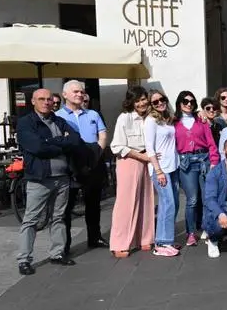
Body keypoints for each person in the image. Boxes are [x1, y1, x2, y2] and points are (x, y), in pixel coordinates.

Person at [15, 89, 82, 275]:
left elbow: (75, 141)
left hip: (62, 177)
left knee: (58, 217)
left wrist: (51, 142)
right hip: (39, 179)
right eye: (41, 99)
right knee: (31, 220)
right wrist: (61, 143)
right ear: (33, 101)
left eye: (49, 99)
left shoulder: (60, 121)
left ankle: (57, 253)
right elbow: (37, 147)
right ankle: (24, 259)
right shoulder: (25, 123)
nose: (46, 102)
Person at [56, 80, 109, 255]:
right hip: (71, 166)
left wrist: (97, 153)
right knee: (67, 206)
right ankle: (65, 244)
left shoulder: (93, 114)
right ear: (65, 94)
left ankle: (95, 237)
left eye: (81, 92)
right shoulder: (58, 117)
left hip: (93, 162)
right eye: (75, 92)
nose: (79, 94)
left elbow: (102, 134)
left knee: (93, 203)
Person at [109, 87, 155, 258]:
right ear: (131, 102)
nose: (142, 103)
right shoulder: (125, 118)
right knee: (126, 203)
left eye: (143, 99)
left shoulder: (151, 118)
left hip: (146, 159)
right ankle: (120, 243)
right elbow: (117, 146)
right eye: (138, 100)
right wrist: (143, 157)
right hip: (129, 159)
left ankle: (144, 238)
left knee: (146, 200)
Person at [174, 91, 219, 246]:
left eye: (192, 102)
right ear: (179, 103)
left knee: (208, 198)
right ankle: (191, 232)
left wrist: (214, 161)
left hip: (204, 160)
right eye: (185, 101)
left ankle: (207, 227)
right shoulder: (174, 122)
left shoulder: (201, 120)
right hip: (186, 163)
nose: (189, 104)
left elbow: (211, 142)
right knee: (192, 199)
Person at [144, 89, 181, 256]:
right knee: (168, 204)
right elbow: (150, 148)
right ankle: (161, 243)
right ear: (151, 105)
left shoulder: (167, 119)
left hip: (172, 166)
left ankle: (167, 238)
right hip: (161, 170)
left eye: (162, 99)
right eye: (155, 102)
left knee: (174, 204)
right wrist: (158, 170)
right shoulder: (151, 121)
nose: (160, 103)